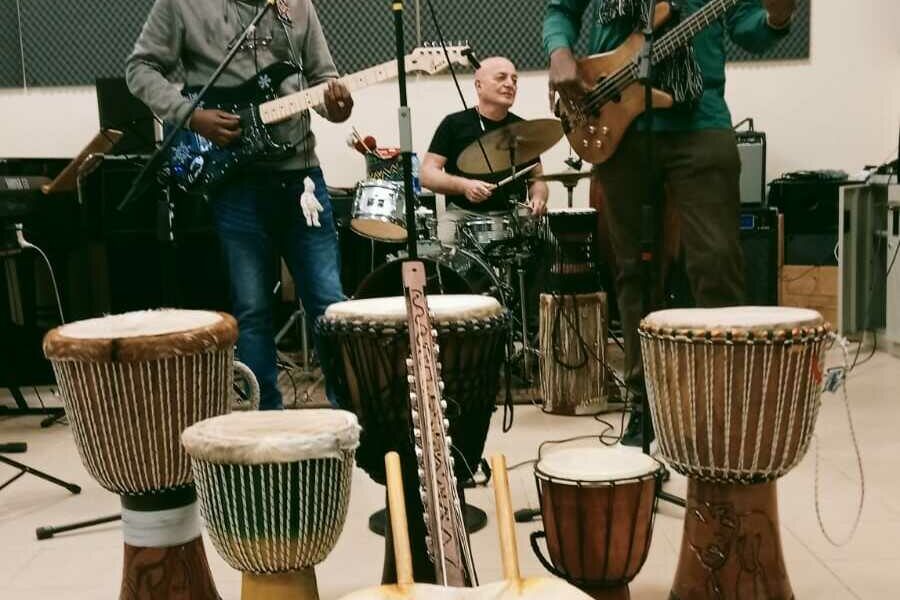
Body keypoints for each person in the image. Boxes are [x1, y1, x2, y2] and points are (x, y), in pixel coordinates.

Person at [543, 0, 795, 446]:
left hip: (700, 120)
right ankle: (646, 401)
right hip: (614, 117)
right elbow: (560, 9)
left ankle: (721, 402)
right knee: (634, 271)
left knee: (717, 262)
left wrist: (777, 17)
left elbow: (748, 27)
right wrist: (560, 51)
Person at [126, 0, 354, 410]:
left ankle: (350, 415)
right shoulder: (182, 4)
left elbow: (322, 78)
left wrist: (335, 106)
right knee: (252, 309)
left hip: (300, 175)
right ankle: (263, 420)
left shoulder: (296, 3)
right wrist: (191, 116)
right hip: (235, 182)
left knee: (330, 303)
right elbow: (140, 69)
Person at [421, 56, 550, 244]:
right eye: (501, 77)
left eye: (514, 80)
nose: (510, 84)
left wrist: (538, 198)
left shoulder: (523, 129)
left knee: (547, 247)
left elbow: (536, 179)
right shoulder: (453, 124)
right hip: (462, 215)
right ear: (479, 85)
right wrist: (464, 186)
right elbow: (427, 174)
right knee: (443, 249)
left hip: (513, 215)